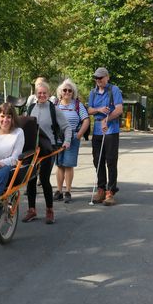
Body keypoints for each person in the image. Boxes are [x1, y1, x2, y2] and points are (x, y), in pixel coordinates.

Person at [23, 81, 71, 224]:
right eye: (39, 93)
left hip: (48, 148)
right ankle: (32, 210)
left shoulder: (54, 109)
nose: (42, 95)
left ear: (49, 94)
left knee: (44, 179)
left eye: (44, 93)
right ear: (36, 94)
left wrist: (67, 141)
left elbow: (67, 127)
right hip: (33, 149)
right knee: (30, 179)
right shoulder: (30, 108)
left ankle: (49, 210)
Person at [87, 67, 123, 206]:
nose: (98, 80)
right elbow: (89, 109)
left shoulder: (114, 90)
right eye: (96, 78)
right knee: (97, 160)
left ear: (107, 77)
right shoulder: (93, 92)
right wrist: (99, 110)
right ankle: (101, 189)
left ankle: (110, 191)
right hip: (96, 130)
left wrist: (106, 119)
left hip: (111, 130)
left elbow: (119, 109)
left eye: (101, 78)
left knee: (111, 160)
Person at [53, 79, 89, 203]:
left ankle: (68, 191)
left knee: (68, 165)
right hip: (58, 139)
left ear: (73, 92)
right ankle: (59, 191)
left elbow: (86, 120)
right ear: (60, 92)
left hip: (73, 138)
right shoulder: (56, 105)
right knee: (59, 165)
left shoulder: (78, 105)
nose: (67, 92)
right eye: (65, 90)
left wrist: (79, 135)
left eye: (70, 90)